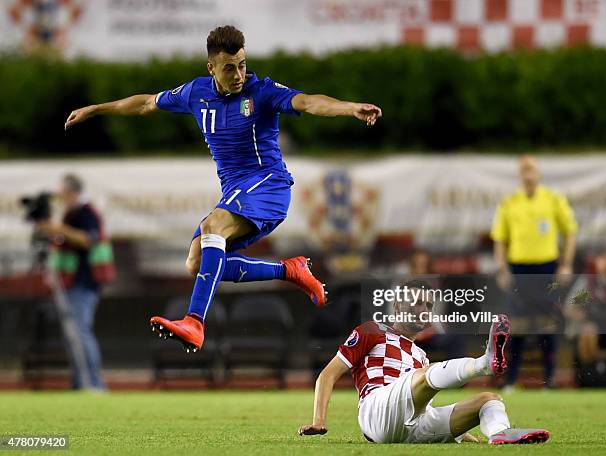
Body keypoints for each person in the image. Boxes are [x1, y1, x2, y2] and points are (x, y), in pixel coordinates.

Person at [64, 25, 382, 353]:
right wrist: (95, 109)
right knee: (197, 263)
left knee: (211, 226)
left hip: (268, 185)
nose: (238, 74)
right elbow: (146, 103)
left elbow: (308, 101)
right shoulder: (195, 93)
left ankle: (195, 321)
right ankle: (289, 269)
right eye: (229, 67)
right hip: (236, 191)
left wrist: (348, 107)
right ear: (211, 68)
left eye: (242, 64)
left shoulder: (261, 91)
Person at [298, 281, 550, 445]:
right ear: (397, 306)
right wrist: (319, 420)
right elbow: (327, 375)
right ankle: (484, 363)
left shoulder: (421, 355)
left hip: (412, 426)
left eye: (428, 305)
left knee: (489, 399)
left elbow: (420, 405)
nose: (423, 309)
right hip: (376, 413)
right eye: (416, 302)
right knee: (424, 376)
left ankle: (499, 433)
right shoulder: (372, 330)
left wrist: (462, 434)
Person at [491, 155, 578, 389]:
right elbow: (499, 239)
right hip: (519, 270)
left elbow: (570, 231)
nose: (528, 172)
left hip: (547, 269)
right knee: (517, 326)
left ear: (538, 172)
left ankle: (549, 380)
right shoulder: (509, 202)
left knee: (547, 324)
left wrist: (566, 264)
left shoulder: (552, 199)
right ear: (519, 174)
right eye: (524, 168)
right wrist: (502, 269)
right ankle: (510, 381)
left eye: (531, 168)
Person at [36, 173, 112, 390]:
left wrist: (58, 230)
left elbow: (89, 239)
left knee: (80, 331)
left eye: (62, 194)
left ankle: (94, 383)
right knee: (73, 334)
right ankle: (81, 382)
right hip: (70, 282)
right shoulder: (70, 213)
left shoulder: (85, 212)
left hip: (83, 282)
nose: (60, 199)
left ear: (71, 192)